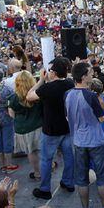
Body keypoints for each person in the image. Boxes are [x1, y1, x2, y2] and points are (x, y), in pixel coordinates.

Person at [64, 62, 104, 208]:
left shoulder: (67, 94)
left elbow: (67, 117)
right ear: (83, 77)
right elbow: (102, 118)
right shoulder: (90, 96)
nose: (92, 75)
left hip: (78, 141)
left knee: (81, 179)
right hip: (95, 140)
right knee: (102, 177)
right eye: (89, 73)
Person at [26, 57, 75, 200]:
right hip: (67, 127)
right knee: (69, 157)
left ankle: (45, 189)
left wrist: (41, 80)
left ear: (53, 72)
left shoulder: (47, 88)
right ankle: (68, 182)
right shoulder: (70, 83)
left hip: (51, 130)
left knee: (46, 159)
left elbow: (29, 96)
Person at [8, 71, 43, 180]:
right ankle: (47, 169)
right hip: (38, 126)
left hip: (22, 128)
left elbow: (11, 114)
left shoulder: (13, 97)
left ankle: (37, 173)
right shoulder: (37, 94)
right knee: (41, 151)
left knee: (31, 152)